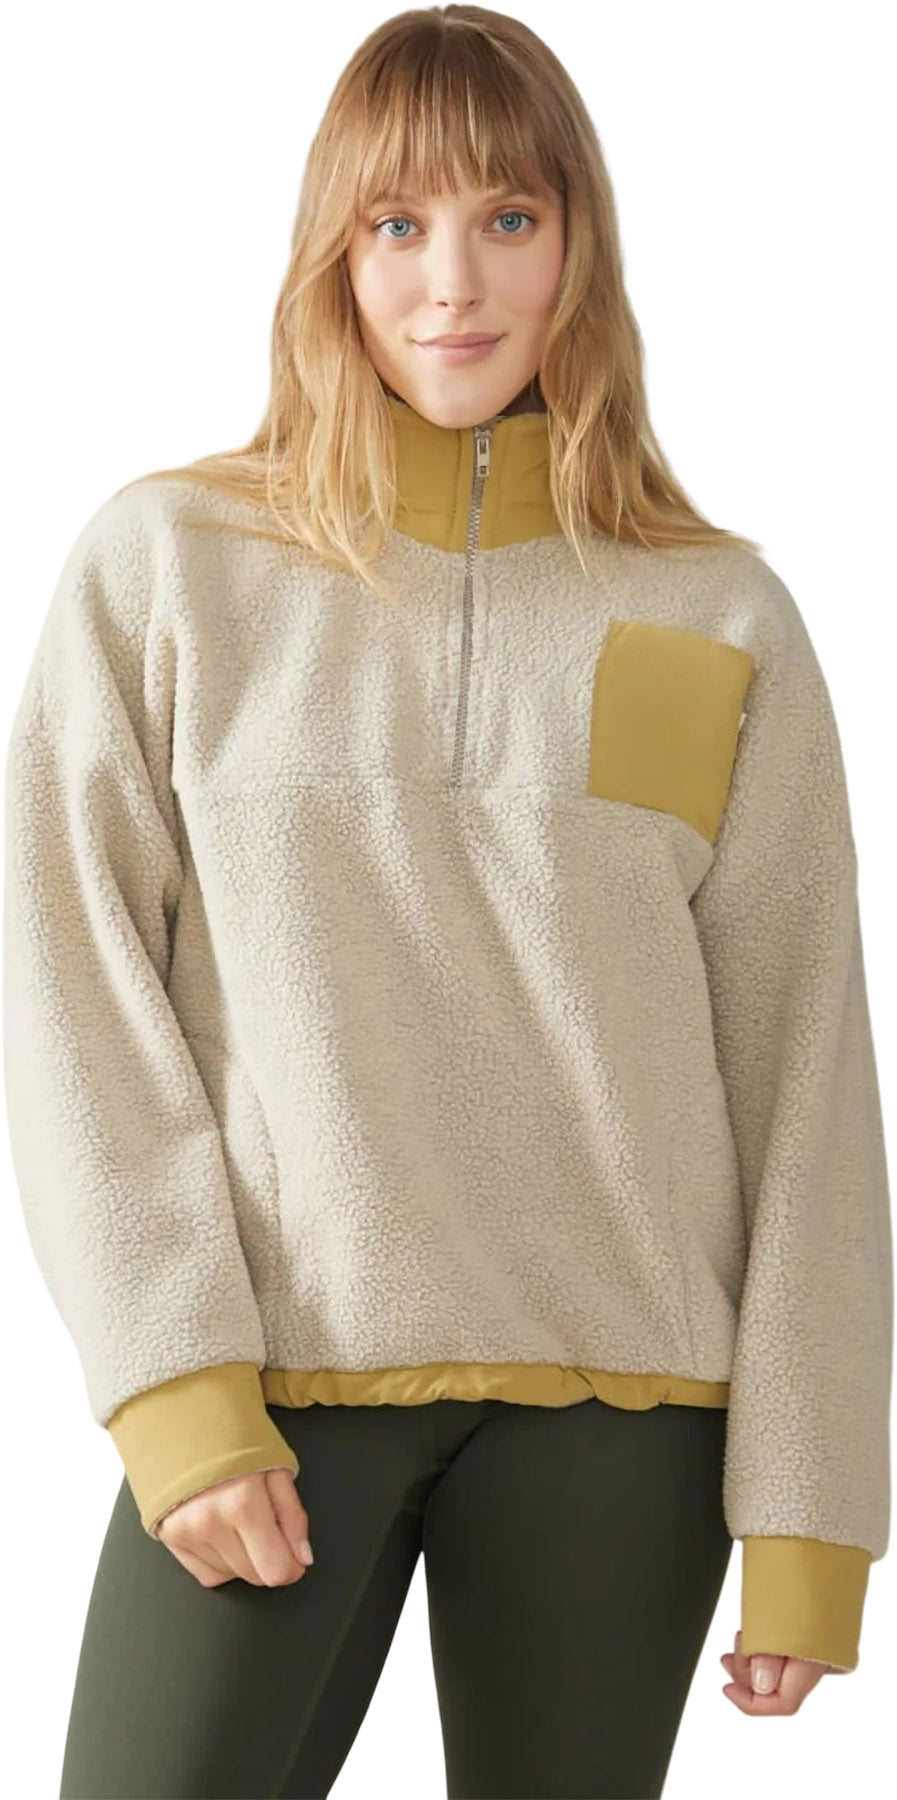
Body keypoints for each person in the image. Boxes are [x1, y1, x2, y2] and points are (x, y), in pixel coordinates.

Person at [3, 6, 891, 1797]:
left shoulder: (717, 611)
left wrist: (815, 1514)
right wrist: (174, 1389)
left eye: (509, 218)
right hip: (278, 1386)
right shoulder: (170, 566)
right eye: (396, 223)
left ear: (578, 245)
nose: (453, 282)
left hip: (625, 1417)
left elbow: (804, 1071)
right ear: (330, 252)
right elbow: (67, 988)